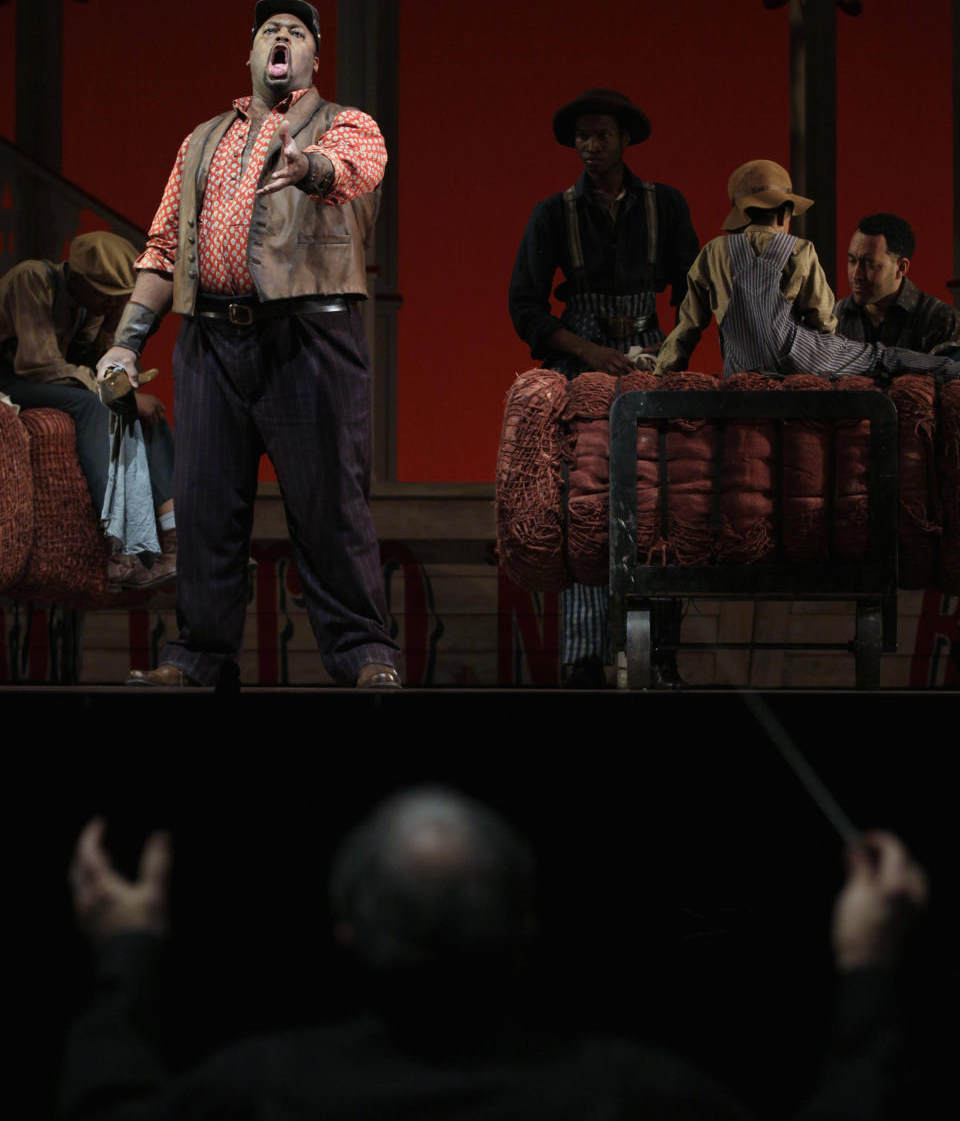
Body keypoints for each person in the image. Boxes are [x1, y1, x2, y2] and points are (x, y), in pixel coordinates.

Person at [61, 788, 929, 1121]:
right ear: (527, 935)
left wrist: (127, 951)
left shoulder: (254, 1094)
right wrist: (867, 966)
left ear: (347, 939)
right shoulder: (636, 1098)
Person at [95, 0, 400, 691]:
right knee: (205, 508)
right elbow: (166, 243)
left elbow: (356, 169)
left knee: (330, 508)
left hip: (310, 337)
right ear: (251, 54)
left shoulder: (345, 125)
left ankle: (364, 657)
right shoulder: (204, 138)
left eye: (297, 32)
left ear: (314, 58)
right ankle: (198, 658)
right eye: (270, 30)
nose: (282, 38)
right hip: (211, 340)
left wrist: (311, 167)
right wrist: (125, 342)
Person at [509, 88, 699, 688]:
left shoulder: (664, 206)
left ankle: (661, 652)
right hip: (584, 358)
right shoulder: (553, 213)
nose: (592, 146)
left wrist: (674, 351)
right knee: (583, 499)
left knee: (665, 496)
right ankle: (586, 657)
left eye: (603, 135)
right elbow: (525, 306)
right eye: (582, 136)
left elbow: (697, 289)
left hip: (651, 350)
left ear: (625, 141)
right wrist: (587, 352)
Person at [655, 160, 960, 381]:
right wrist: (828, 351)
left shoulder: (713, 253)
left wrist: (662, 374)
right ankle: (954, 370)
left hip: (740, 369)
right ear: (785, 211)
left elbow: (688, 326)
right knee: (881, 357)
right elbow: (823, 319)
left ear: (741, 213)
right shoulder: (799, 249)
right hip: (797, 357)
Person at [0, 230, 176, 590]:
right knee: (94, 404)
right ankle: (120, 541)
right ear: (79, 280)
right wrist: (119, 393)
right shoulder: (33, 279)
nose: (112, 306)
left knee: (148, 413)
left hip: (57, 378)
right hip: (13, 377)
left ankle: (176, 535)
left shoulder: (91, 307)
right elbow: (39, 365)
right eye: (106, 298)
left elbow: (100, 363)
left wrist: (113, 350)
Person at [835, 212, 960, 353]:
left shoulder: (942, 320)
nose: (856, 275)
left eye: (869, 264)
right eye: (852, 261)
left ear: (901, 267)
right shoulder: (836, 316)